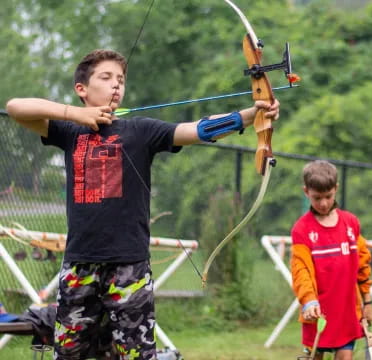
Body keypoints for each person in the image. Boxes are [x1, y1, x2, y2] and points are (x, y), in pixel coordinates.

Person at [5, 49, 280, 360]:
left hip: (129, 265)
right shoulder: (68, 131)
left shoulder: (141, 130)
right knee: (69, 354)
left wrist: (250, 115)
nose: (115, 85)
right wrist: (75, 114)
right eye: (106, 78)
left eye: (120, 80)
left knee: (136, 354)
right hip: (80, 263)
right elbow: (15, 107)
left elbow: (197, 129)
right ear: (81, 89)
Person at [290, 160, 372, 360]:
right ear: (306, 192)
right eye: (317, 198)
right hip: (316, 313)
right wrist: (309, 301)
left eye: (328, 196)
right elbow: (301, 271)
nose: (324, 203)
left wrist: (367, 301)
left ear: (336, 189)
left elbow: (362, 265)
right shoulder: (301, 230)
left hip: (347, 312)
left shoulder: (351, 223)